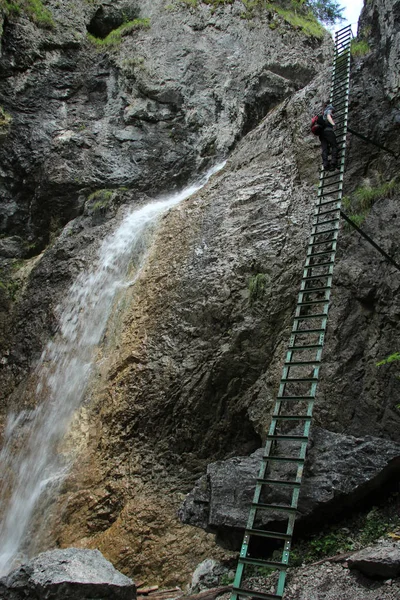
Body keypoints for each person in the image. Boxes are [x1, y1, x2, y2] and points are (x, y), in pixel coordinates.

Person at [319, 103, 338, 171]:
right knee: (334, 146)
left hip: (322, 134)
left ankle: (325, 164)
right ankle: (333, 162)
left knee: (325, 149)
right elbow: (328, 116)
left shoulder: (322, 114)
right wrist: (333, 124)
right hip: (328, 131)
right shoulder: (328, 110)